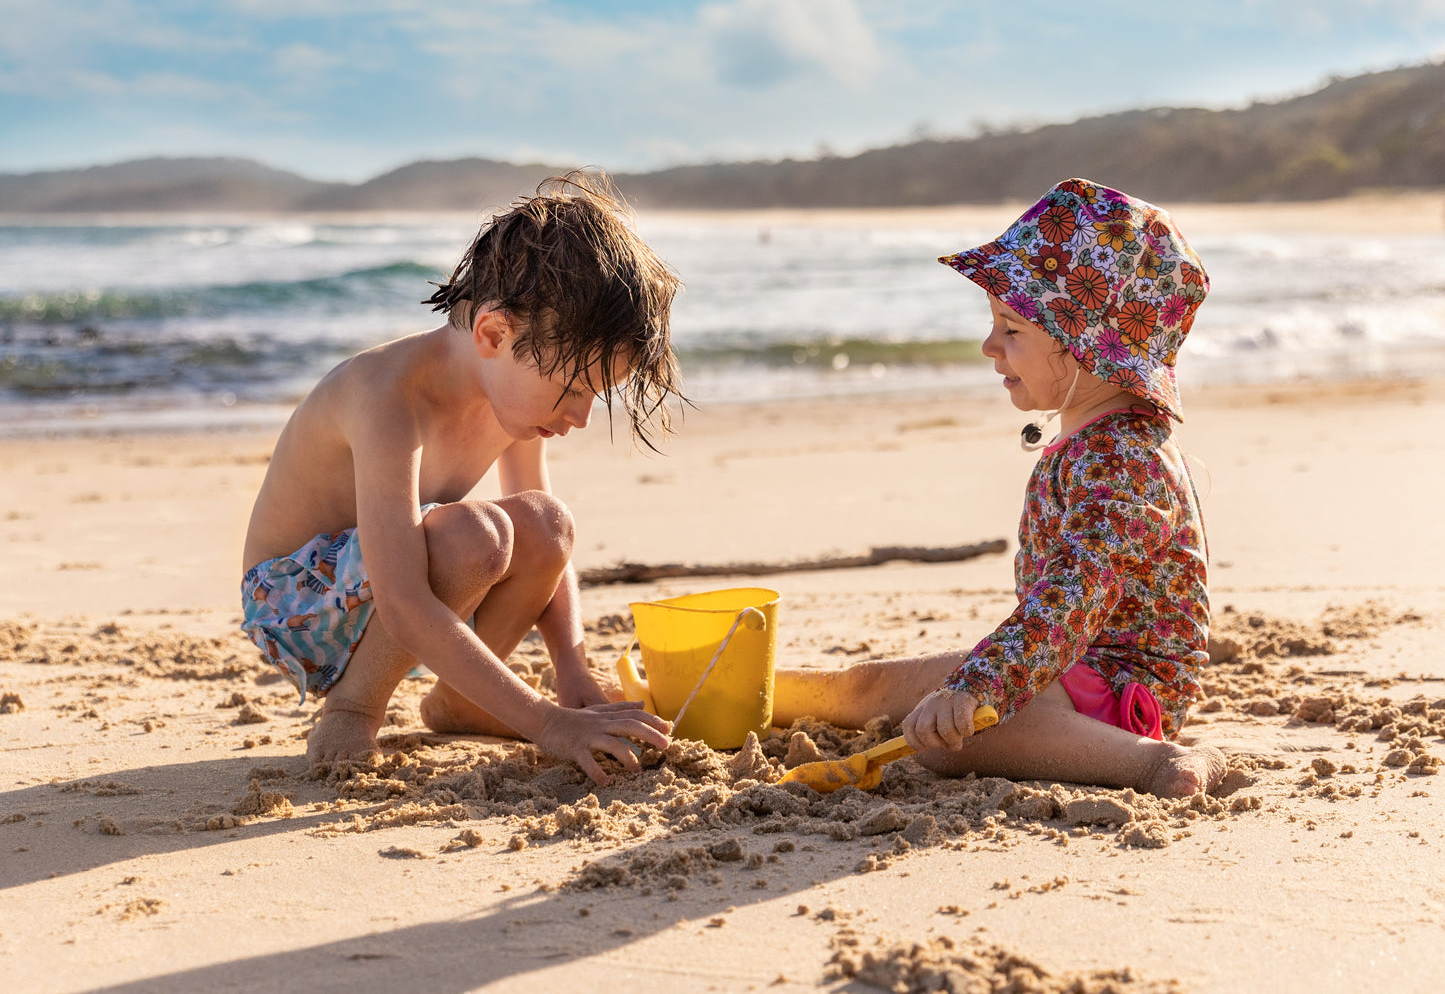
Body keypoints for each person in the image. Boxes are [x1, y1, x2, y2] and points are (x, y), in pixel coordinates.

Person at [773, 177, 1225, 798]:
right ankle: (754, 692)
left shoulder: (1121, 460)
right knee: (872, 688)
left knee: (954, 743)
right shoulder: (1096, 440)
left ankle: (1151, 763)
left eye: (1012, 329)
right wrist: (977, 680)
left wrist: (981, 686)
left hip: (1121, 698)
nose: (989, 347)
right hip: (1069, 668)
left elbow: (1073, 597)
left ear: (1083, 347)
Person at [240, 172, 680, 785]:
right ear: (494, 333)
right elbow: (402, 598)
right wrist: (548, 724)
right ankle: (353, 705)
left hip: (389, 596)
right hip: (295, 606)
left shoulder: (510, 400)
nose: (580, 417)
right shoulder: (387, 398)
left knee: (548, 524)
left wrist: (571, 670)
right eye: (573, 391)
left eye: (593, 397)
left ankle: (462, 702)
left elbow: (548, 550)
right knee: (475, 534)